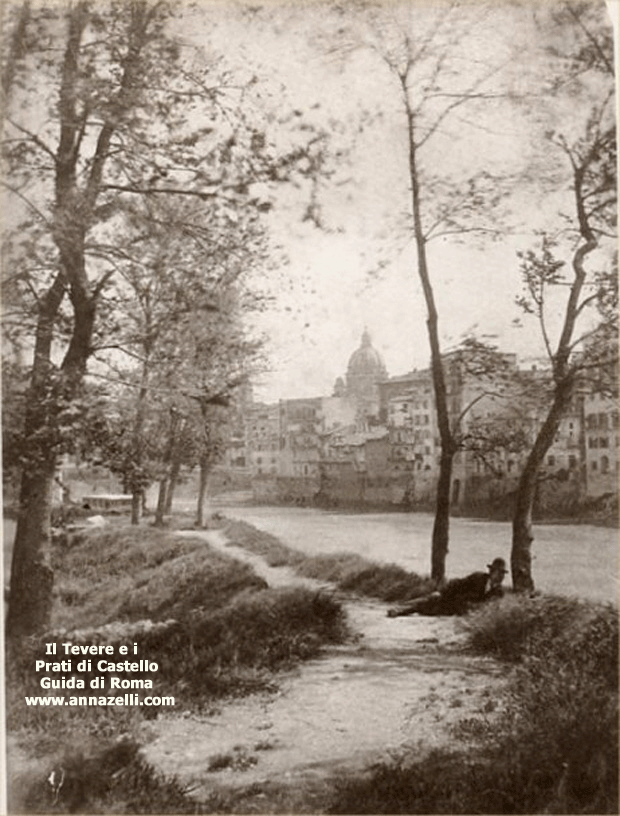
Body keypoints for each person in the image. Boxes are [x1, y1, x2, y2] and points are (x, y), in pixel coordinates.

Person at [387, 557, 509, 617]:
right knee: (428, 600)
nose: (501, 576)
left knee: (424, 610)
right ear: (492, 571)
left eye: (503, 574)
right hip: (449, 599)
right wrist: (441, 592)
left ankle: (400, 610)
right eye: (499, 572)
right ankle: (397, 610)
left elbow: (490, 608)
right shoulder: (478, 578)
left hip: (456, 611)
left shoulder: (499, 592)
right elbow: (457, 583)